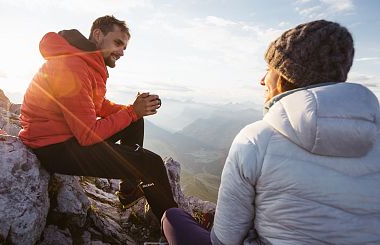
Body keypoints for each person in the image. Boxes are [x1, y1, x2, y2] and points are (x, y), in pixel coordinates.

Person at [161, 19, 380, 244]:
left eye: (269, 69)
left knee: (173, 217)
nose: (262, 79)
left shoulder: (257, 139)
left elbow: (225, 239)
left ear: (287, 76)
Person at [19, 15, 177, 220]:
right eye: (117, 43)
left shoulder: (85, 62)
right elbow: (87, 134)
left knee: (135, 122)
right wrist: (132, 111)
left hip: (66, 137)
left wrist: (134, 110)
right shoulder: (73, 66)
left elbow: (97, 104)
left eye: (124, 47)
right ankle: (180, 231)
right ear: (98, 34)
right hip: (54, 148)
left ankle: (129, 191)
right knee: (150, 164)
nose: (121, 52)